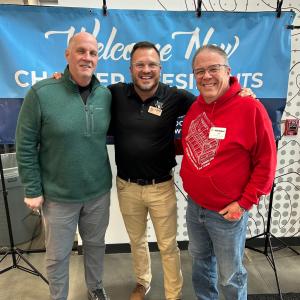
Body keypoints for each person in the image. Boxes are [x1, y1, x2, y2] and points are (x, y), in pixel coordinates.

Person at [15, 32, 112, 300]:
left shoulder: (105, 95)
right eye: (81, 51)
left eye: (93, 53)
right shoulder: (41, 93)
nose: (87, 57)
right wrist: (33, 188)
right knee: (58, 257)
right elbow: (25, 144)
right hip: (58, 197)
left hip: (98, 193)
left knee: (95, 246)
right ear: (67, 55)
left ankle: (95, 289)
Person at [180, 45, 277, 300]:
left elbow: (266, 163)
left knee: (230, 275)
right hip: (195, 207)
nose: (206, 76)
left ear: (228, 71)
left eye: (213, 69)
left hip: (227, 214)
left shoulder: (250, 109)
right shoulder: (196, 107)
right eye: (199, 71)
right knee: (200, 266)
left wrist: (244, 204)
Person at [109, 41, 196, 300]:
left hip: (161, 187)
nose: (146, 70)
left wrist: (240, 93)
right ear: (131, 69)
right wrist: (62, 79)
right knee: (136, 242)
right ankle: (142, 282)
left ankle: (173, 294)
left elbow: (212, 103)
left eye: (152, 65)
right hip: (127, 187)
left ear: (160, 68)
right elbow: (83, 89)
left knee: (168, 246)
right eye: (140, 65)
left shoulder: (175, 96)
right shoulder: (115, 93)